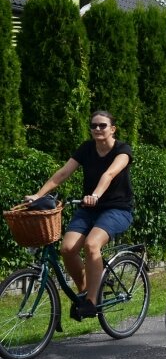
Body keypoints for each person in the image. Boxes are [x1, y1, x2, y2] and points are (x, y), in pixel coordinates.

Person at [25, 111, 133, 320]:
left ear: (113, 129)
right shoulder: (86, 149)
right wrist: (38, 195)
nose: (97, 129)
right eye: (94, 126)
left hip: (117, 209)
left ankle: (92, 301)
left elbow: (109, 174)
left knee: (92, 245)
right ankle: (85, 290)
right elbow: (63, 172)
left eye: (102, 125)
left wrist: (95, 195)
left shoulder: (122, 149)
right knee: (67, 249)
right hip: (89, 209)